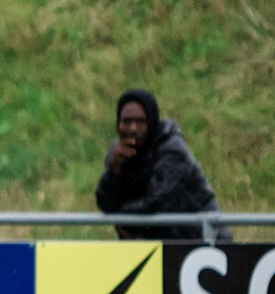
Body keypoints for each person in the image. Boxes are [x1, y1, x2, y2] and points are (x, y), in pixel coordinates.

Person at [96, 88, 230, 241]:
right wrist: (114, 170)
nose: (133, 128)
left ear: (151, 122)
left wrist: (123, 218)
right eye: (126, 121)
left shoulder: (172, 149)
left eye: (140, 122)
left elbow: (157, 201)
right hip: (156, 243)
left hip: (199, 240)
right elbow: (105, 203)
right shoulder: (120, 151)